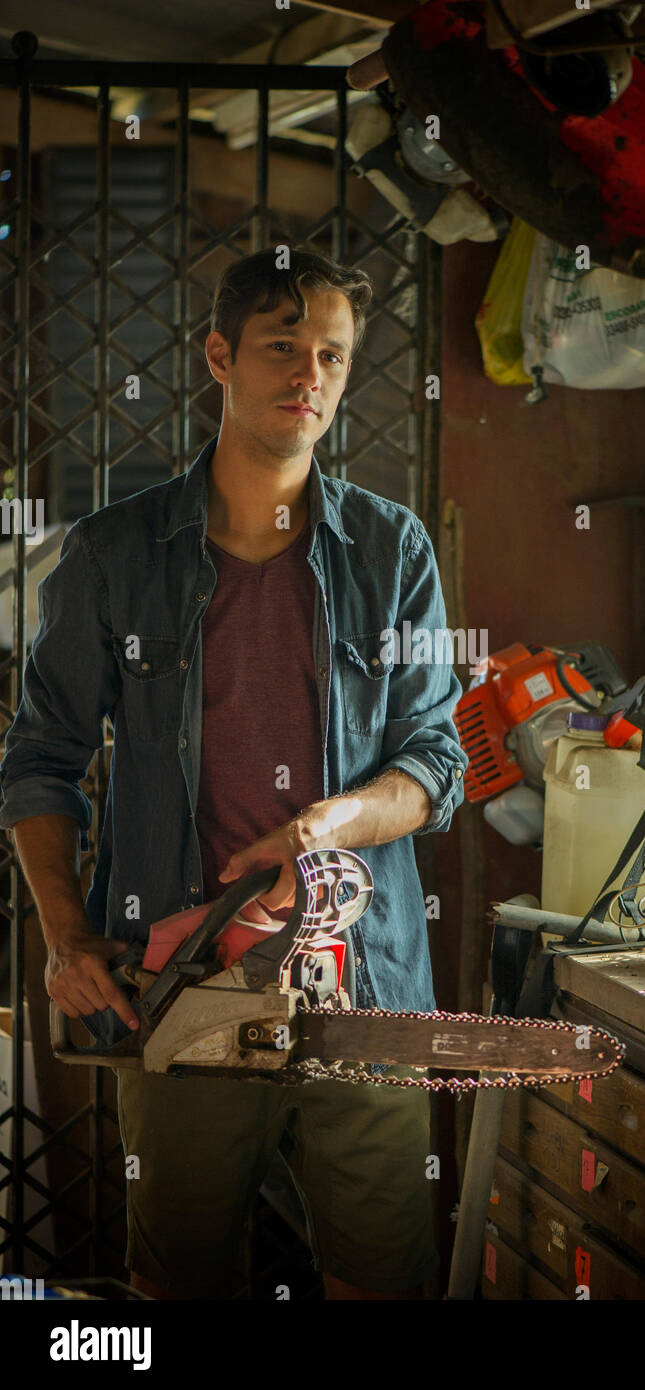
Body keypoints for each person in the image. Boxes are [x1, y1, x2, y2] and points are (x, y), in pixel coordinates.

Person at [0, 246, 468, 1300]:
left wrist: (332, 823)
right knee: (181, 1288)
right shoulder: (117, 554)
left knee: (382, 1282)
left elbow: (437, 760)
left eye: (333, 356)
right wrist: (67, 935)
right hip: (186, 992)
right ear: (219, 356)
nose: (309, 374)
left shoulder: (393, 552)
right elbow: (41, 760)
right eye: (281, 348)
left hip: (367, 995)